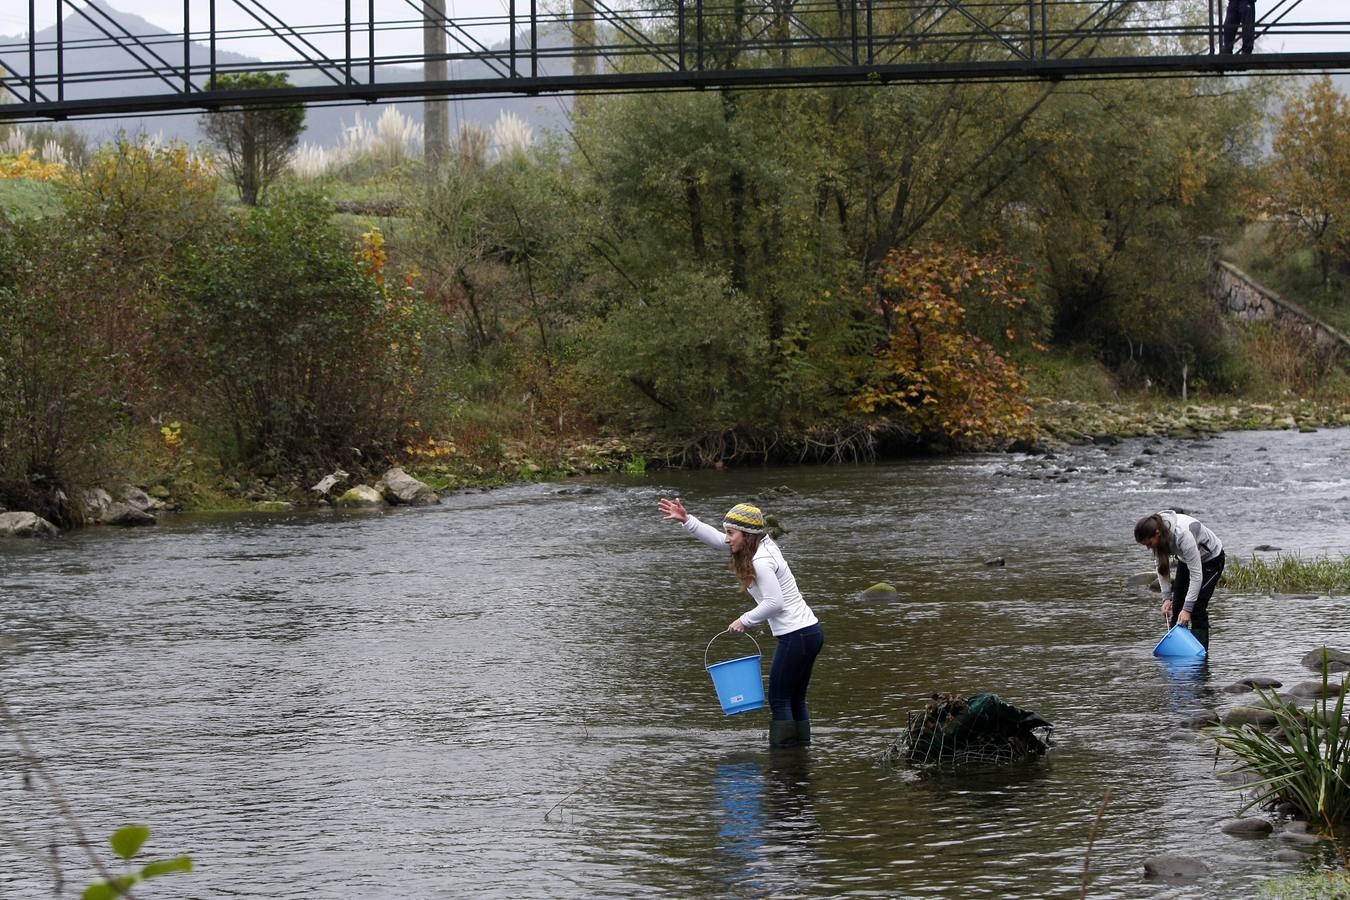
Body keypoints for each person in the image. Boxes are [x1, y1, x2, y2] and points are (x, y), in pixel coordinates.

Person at [660, 497, 824, 748]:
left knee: (779, 699)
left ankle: (783, 759)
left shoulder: (761, 561)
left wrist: (744, 620)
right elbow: (718, 541)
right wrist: (687, 520)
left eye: (731, 533)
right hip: (810, 632)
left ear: (746, 535)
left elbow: (774, 603)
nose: (726, 538)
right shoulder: (760, 543)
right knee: (795, 698)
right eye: (727, 532)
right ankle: (800, 755)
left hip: (797, 635)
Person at [1134, 510, 1226, 650]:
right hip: (1186, 559)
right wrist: (1166, 598)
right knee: (1177, 608)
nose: (1148, 547)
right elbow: (1161, 567)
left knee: (1196, 607)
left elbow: (1196, 576)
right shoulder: (1156, 527)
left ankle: (1200, 656)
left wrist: (1188, 609)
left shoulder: (1183, 535)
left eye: (1149, 543)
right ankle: (1178, 649)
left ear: (1157, 533)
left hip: (1211, 560)